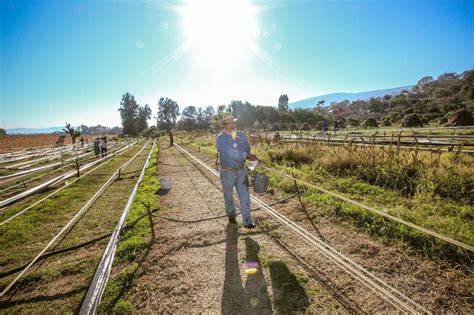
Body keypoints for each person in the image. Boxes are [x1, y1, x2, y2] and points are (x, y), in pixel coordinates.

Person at [216, 114, 258, 229]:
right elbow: (229, 153)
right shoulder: (220, 138)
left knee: (245, 195)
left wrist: (244, 150)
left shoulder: (240, 135)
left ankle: (247, 221)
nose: (234, 125)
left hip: (241, 171)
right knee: (228, 195)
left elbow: (247, 148)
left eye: (234, 122)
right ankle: (231, 214)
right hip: (227, 172)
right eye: (231, 123)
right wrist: (245, 154)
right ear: (225, 125)